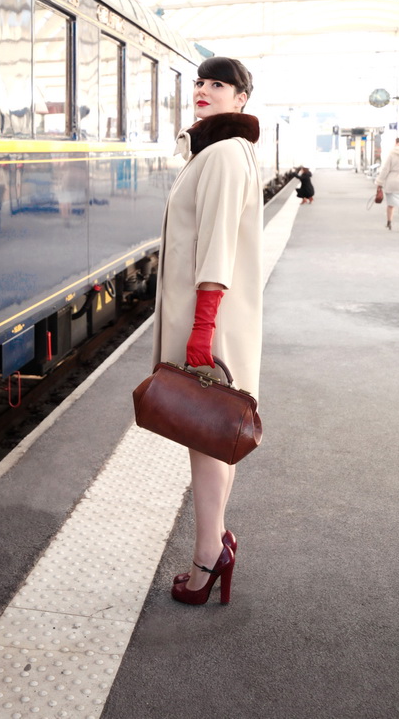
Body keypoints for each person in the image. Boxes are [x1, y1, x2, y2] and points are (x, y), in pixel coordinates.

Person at [151, 56, 262, 606]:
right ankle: (214, 545)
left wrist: (201, 332)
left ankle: (206, 559)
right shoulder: (222, 151)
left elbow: (215, 247)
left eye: (218, 84)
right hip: (217, 319)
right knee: (215, 435)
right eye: (199, 82)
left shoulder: (221, 155)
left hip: (210, 322)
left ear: (241, 98)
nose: (203, 89)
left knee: (206, 438)